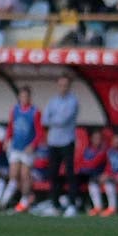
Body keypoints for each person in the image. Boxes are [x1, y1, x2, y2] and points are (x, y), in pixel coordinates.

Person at [40, 75, 81, 216]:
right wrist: (53, 119)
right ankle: (55, 204)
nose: (63, 87)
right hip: (53, 141)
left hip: (67, 141)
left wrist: (53, 119)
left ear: (69, 86)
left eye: (65, 85)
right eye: (61, 84)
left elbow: (64, 119)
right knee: (53, 173)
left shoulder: (73, 101)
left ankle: (72, 204)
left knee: (70, 173)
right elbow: (45, 119)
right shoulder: (53, 101)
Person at [0, 86, 42, 212]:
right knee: (13, 175)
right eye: (22, 96)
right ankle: (4, 201)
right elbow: (11, 126)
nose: (24, 99)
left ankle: (24, 201)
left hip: (27, 149)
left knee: (25, 175)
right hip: (16, 147)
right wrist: (7, 140)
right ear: (19, 97)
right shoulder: (15, 110)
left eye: (26, 96)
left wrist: (33, 145)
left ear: (30, 98)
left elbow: (39, 133)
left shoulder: (35, 112)